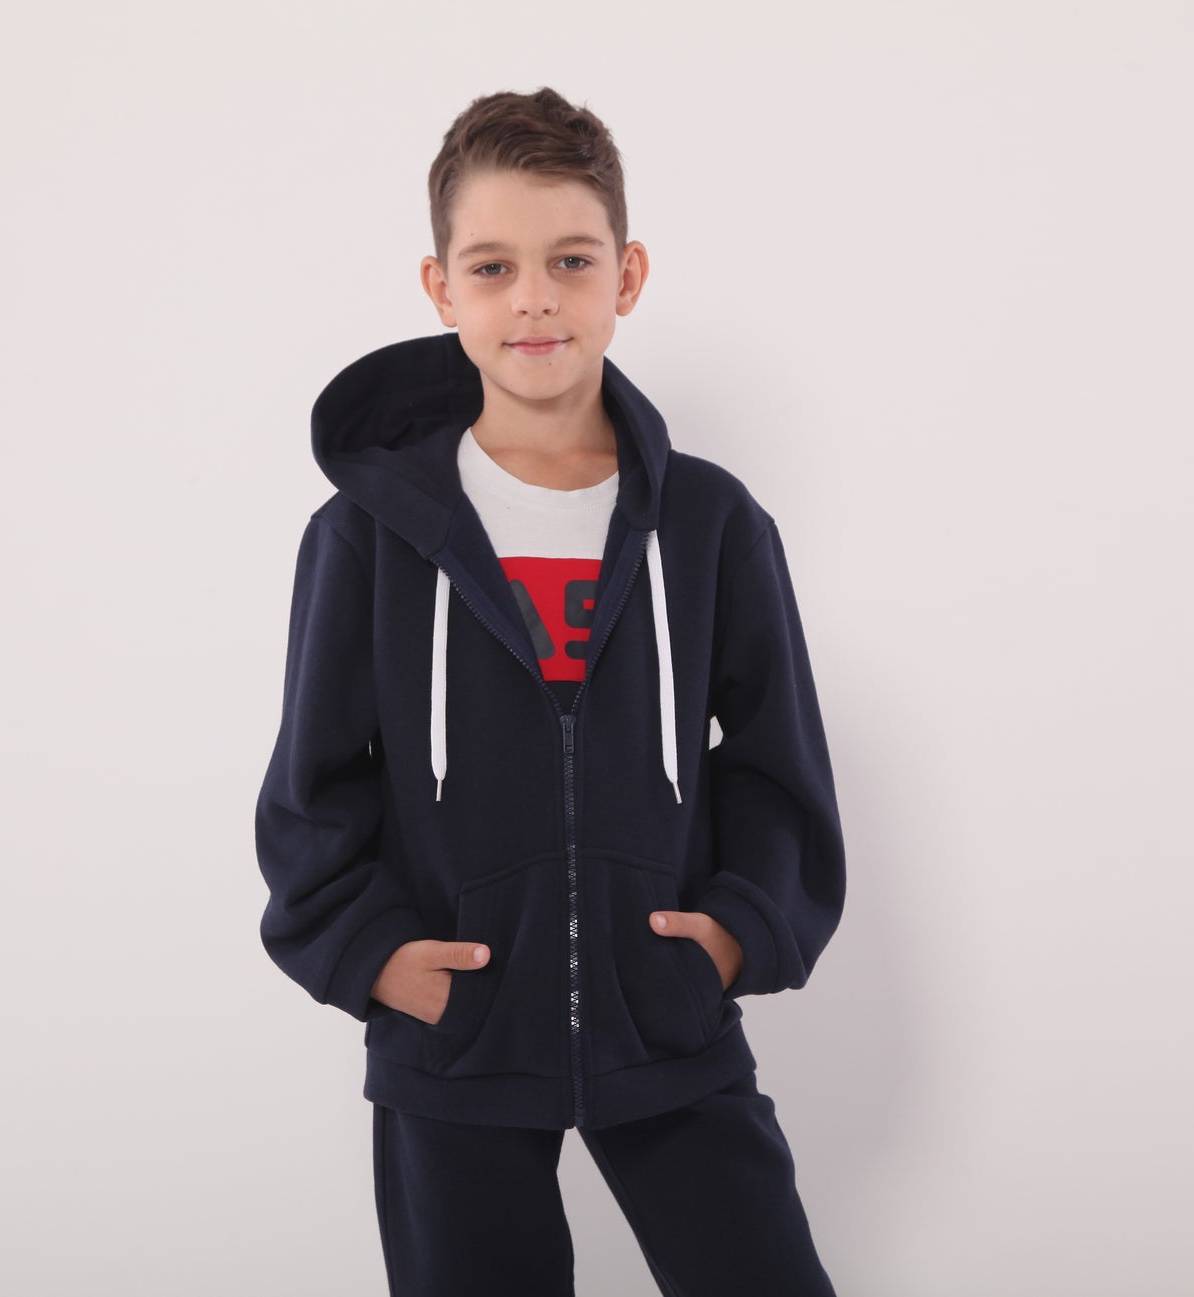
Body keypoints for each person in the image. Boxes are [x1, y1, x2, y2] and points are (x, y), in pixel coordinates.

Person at [255, 86, 847, 1296]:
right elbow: (312, 784)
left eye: (570, 261)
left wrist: (735, 932)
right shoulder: (366, 535)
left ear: (625, 276)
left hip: (666, 1023)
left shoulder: (709, 523)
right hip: (454, 1042)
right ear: (441, 290)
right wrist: (372, 953)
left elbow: (775, 759)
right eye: (492, 266)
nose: (533, 297)